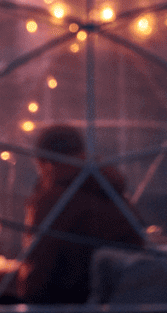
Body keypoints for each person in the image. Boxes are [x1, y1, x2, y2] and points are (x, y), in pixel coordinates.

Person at [18, 125, 142, 304]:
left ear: (44, 162)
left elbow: (38, 276)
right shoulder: (110, 191)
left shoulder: (54, 200)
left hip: (73, 302)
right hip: (122, 301)